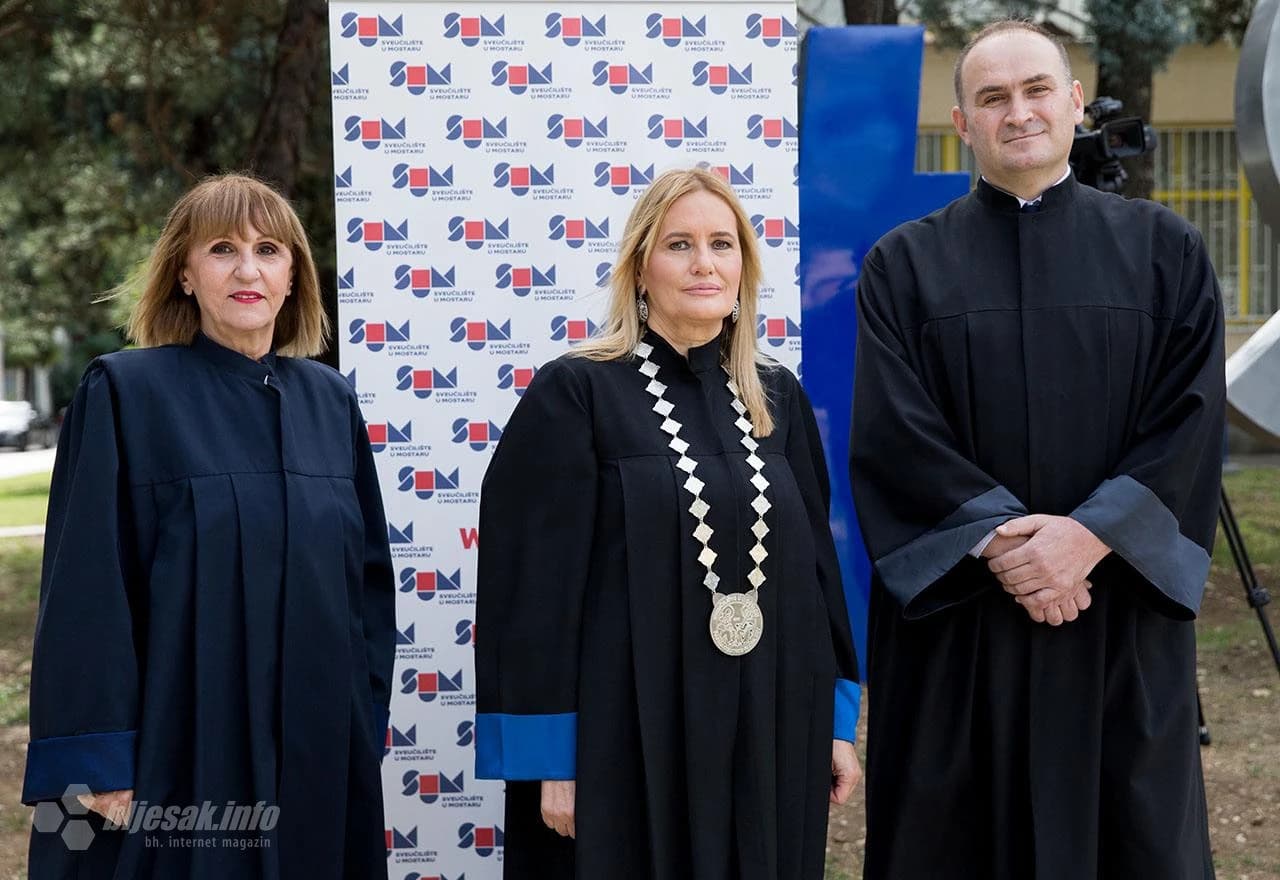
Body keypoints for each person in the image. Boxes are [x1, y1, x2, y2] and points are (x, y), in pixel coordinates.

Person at [850, 19, 1225, 880]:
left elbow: (1191, 421)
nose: (1017, 113)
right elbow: (894, 434)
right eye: (992, 98)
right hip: (965, 627)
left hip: (1113, 616)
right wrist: (1012, 546)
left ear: (1073, 101)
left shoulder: (1166, 253)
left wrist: (1089, 536)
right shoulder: (903, 268)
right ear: (963, 124)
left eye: (1035, 90)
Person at [474, 167, 862, 879]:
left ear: (745, 265)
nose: (704, 263)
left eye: (722, 243)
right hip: (622, 735)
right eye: (679, 244)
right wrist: (553, 760)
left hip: (768, 723)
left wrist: (836, 725)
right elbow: (532, 593)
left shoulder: (776, 398)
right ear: (641, 267)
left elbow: (816, 576)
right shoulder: (578, 393)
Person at [21, 173, 395, 879]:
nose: (248, 269)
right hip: (179, 745)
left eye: (270, 249)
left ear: (294, 277)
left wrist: (356, 724)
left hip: (315, 746)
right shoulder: (127, 394)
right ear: (185, 274)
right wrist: (98, 760)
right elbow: (84, 591)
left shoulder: (329, 403)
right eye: (222, 248)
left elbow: (368, 585)